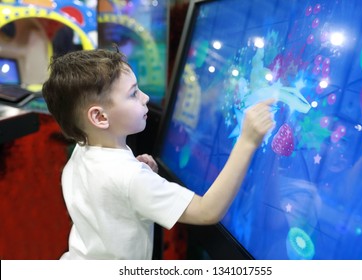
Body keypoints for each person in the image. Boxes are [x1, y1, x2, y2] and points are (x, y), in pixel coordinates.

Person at [42, 48, 275, 260]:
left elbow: (107, 191)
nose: (145, 98)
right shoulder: (130, 178)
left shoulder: (83, 148)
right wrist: (247, 141)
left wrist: (136, 182)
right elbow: (207, 211)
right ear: (100, 117)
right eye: (133, 94)